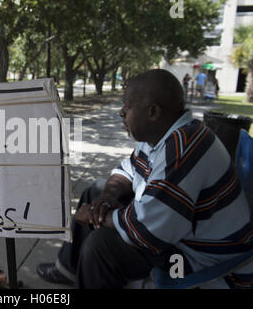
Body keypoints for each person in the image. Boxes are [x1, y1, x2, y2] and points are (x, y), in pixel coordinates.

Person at [37, 69, 252, 289]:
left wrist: (100, 217)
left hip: (200, 261)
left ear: (153, 112)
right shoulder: (160, 136)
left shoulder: (184, 148)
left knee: (101, 246)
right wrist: (106, 198)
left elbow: (148, 231)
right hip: (179, 235)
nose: (121, 113)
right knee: (96, 190)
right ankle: (69, 270)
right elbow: (127, 171)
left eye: (127, 107)